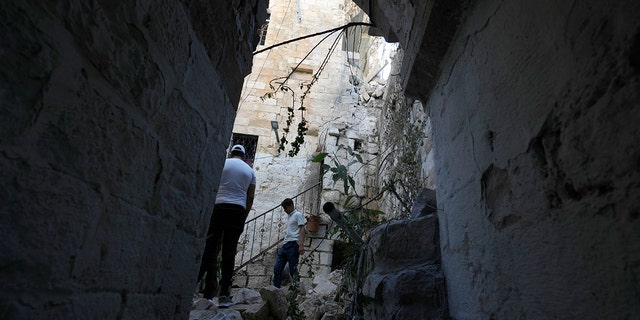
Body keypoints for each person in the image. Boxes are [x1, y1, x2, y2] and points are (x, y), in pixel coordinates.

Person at [198, 144, 256, 307]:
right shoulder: (250, 171)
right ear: (244, 156)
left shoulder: (221, 164)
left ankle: (192, 288)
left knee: (209, 248)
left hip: (218, 207)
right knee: (229, 251)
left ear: (232, 153)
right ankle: (224, 294)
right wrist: (243, 217)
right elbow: (250, 197)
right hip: (237, 209)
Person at [273, 198, 306, 288]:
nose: (285, 210)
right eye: (284, 209)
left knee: (293, 270)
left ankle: (297, 291)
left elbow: (303, 228)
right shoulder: (290, 216)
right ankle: (276, 291)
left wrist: (301, 244)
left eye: (286, 208)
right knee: (277, 268)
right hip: (285, 245)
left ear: (291, 205)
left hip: (293, 245)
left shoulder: (297, 214)